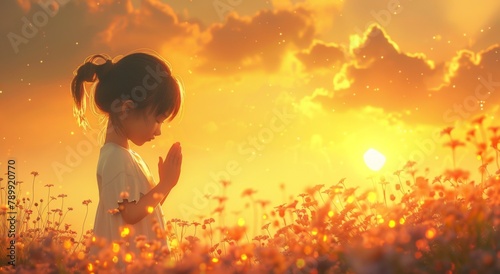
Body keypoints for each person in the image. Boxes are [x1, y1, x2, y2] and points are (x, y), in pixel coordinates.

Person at [70, 51, 183, 260]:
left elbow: (144, 210)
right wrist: (165, 184)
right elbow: (130, 214)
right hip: (127, 261)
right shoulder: (116, 158)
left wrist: (165, 185)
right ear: (128, 108)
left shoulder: (127, 156)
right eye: (158, 120)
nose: (158, 131)